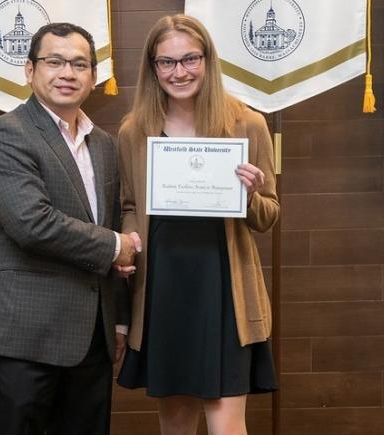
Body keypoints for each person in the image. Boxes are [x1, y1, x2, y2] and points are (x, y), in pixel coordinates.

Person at [0, 22, 141, 435]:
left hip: (93, 340)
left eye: (80, 64)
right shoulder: (6, 134)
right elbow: (32, 224)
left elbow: (111, 221)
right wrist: (116, 245)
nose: (68, 73)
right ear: (29, 70)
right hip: (27, 337)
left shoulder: (103, 143)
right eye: (55, 61)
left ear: (94, 77)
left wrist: (118, 320)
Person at [115, 14, 279, 435]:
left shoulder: (247, 123)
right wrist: (131, 239)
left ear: (208, 60)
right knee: (175, 422)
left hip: (224, 288)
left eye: (190, 59)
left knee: (227, 426)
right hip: (163, 287)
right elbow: (130, 203)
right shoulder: (135, 131)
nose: (179, 72)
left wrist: (249, 196)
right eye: (166, 62)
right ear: (153, 68)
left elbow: (269, 215)